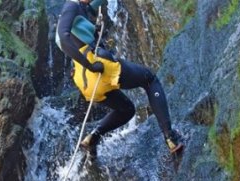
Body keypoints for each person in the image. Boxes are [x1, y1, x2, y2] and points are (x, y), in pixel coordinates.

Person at [55, 0, 183, 158]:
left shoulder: (82, 7)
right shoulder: (71, 6)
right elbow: (62, 37)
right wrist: (91, 65)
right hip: (99, 66)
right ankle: (170, 137)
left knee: (126, 110)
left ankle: (93, 137)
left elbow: (94, 5)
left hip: (85, 82)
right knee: (150, 80)